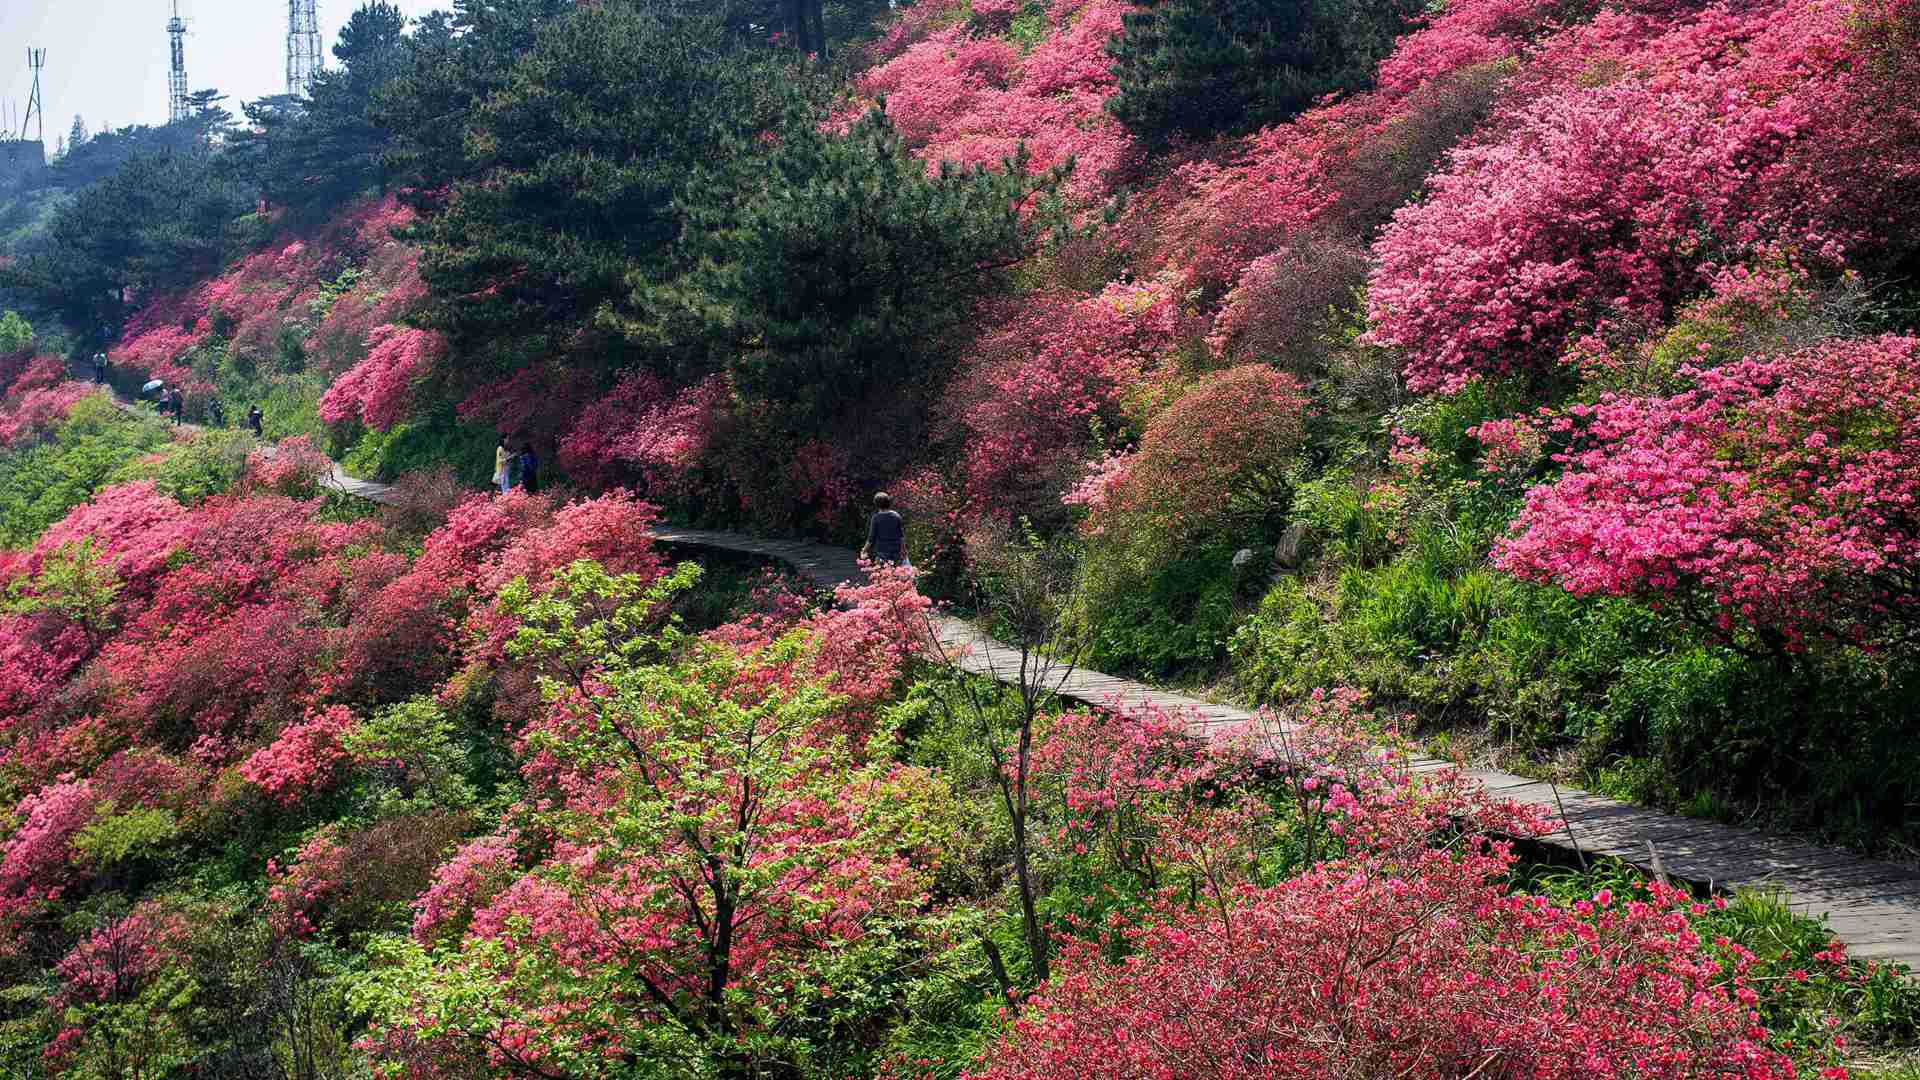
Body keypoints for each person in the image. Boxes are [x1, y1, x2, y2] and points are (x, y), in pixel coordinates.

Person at [862, 492, 906, 566]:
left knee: (883, 574)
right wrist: (904, 550)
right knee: (895, 574)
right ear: (888, 502)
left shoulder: (876, 518)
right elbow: (901, 535)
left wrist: (864, 549)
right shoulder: (896, 516)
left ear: (876, 504)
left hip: (882, 552)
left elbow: (871, 537)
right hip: (896, 551)